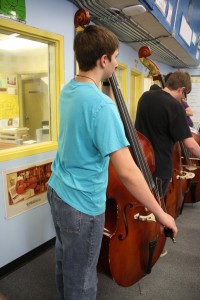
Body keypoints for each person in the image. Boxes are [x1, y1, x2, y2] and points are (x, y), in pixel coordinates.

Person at [47, 25, 177, 300]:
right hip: (81, 205)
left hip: (58, 192)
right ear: (103, 60)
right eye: (116, 57)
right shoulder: (102, 106)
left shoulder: (68, 89)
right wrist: (161, 213)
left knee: (64, 261)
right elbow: (128, 172)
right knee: (82, 279)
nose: (118, 63)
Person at [135, 70, 200, 204]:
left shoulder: (145, 97)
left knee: (141, 206)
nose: (182, 99)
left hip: (140, 161)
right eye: (184, 95)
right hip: (160, 167)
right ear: (181, 89)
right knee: (156, 207)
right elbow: (190, 144)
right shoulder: (175, 106)